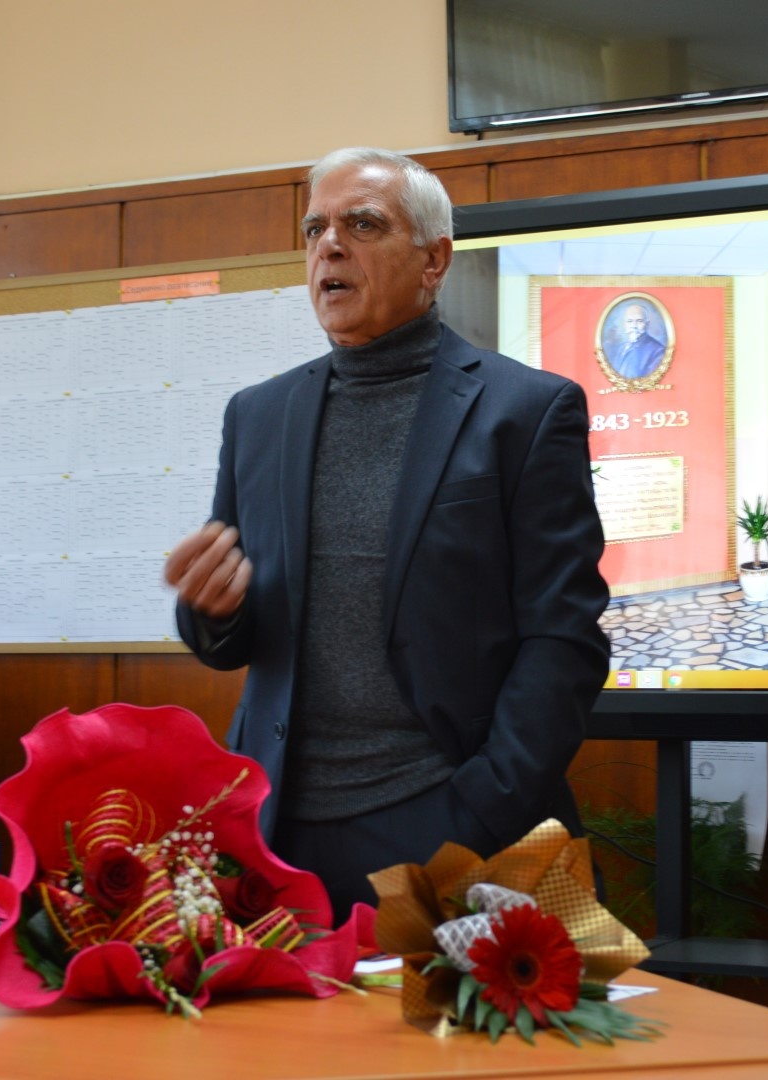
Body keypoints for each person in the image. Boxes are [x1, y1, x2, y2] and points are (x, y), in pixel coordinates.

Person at [164, 147, 610, 916]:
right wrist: (210, 610)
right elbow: (233, 640)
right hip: (280, 833)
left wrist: (481, 807)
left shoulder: (526, 411)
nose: (330, 247)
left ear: (434, 261)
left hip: (451, 823)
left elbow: (564, 636)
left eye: (363, 224)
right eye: (315, 230)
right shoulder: (258, 416)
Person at [607, 302, 667, 379]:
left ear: (647, 324)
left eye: (639, 321)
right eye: (629, 321)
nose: (634, 326)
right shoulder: (620, 348)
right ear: (625, 324)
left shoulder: (658, 351)